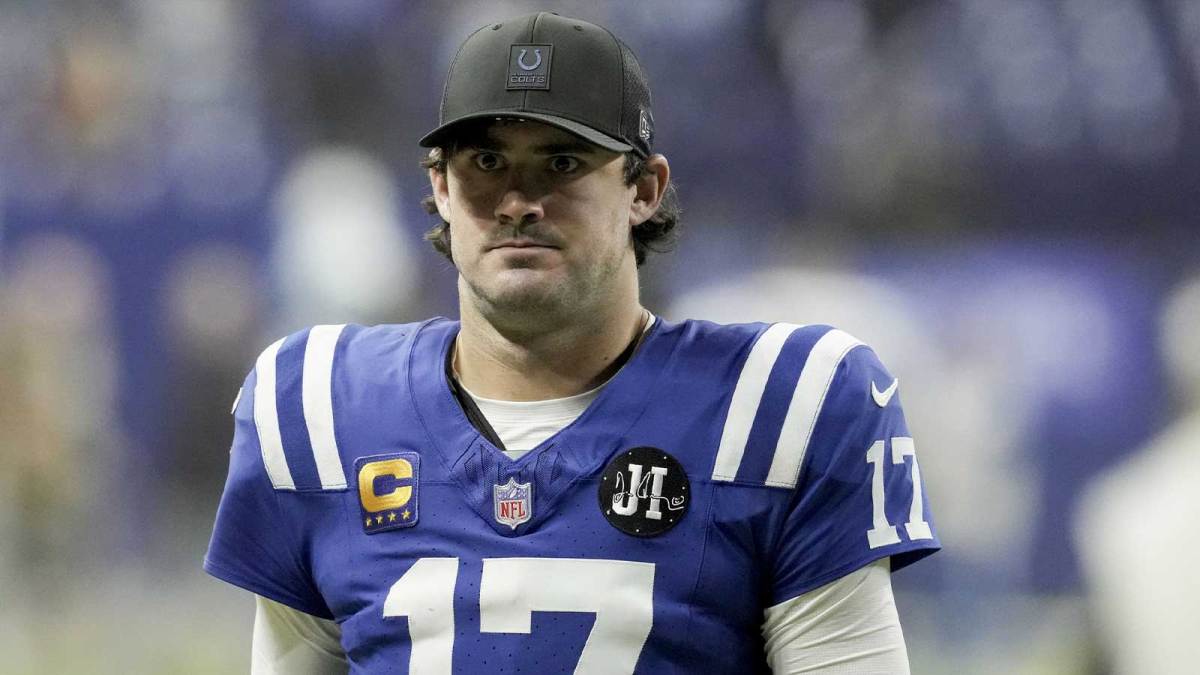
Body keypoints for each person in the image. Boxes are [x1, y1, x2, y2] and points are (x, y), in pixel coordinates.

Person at [205, 12, 939, 673]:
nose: (520, 201)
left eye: (561, 163)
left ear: (644, 189)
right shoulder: (321, 407)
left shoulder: (781, 406)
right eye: (486, 162)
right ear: (439, 186)